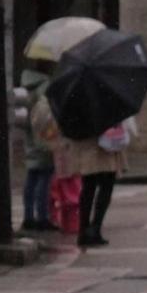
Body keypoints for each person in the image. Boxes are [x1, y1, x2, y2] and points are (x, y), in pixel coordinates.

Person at [31, 87, 128, 248]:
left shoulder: (76, 90)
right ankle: (95, 228)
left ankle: (84, 230)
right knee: (105, 186)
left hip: (85, 144)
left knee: (88, 186)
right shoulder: (107, 90)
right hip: (104, 144)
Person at [21, 63, 56, 232]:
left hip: (29, 133)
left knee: (32, 173)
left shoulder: (27, 83)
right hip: (44, 134)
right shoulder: (45, 86)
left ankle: (28, 216)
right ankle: (42, 217)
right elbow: (49, 112)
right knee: (44, 175)